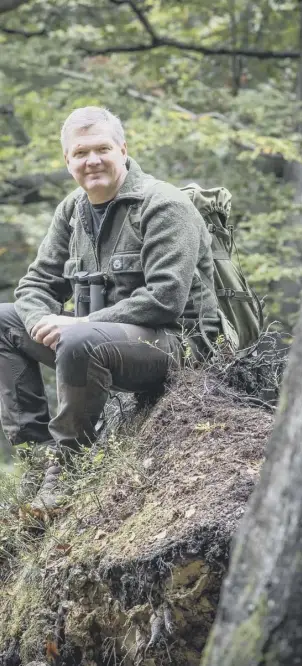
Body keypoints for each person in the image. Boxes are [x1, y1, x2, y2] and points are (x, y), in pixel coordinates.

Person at [0, 106, 220, 514]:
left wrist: (80, 322)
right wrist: (40, 321)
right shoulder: (72, 211)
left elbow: (165, 298)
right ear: (68, 161)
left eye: (102, 149)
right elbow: (35, 285)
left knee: (79, 339)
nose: (92, 161)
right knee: (3, 321)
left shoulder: (163, 205)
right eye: (81, 153)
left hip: (176, 344)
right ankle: (37, 456)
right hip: (101, 341)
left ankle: (68, 469)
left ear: (123, 149)